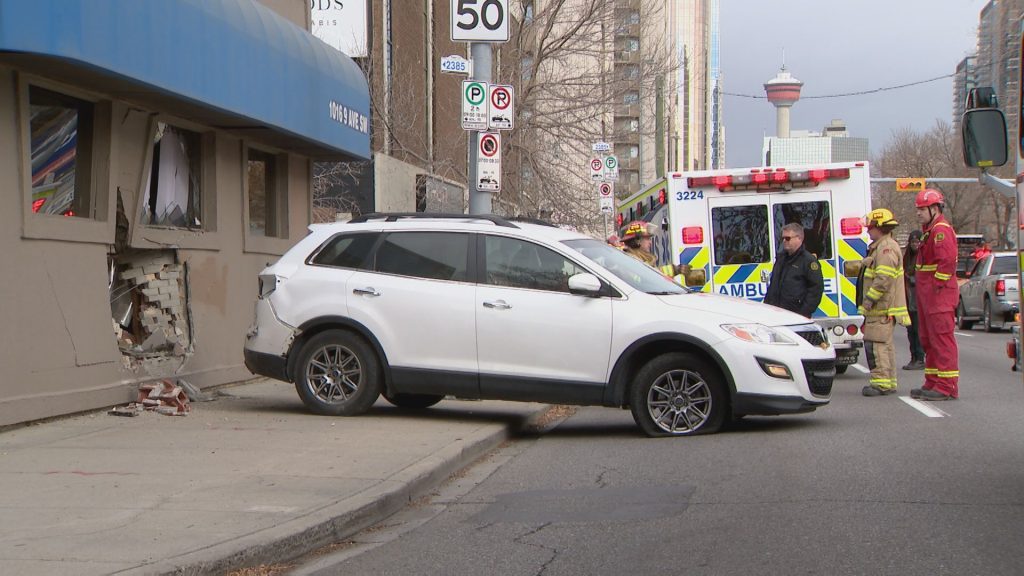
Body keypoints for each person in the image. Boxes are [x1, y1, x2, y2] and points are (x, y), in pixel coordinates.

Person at [857, 209, 912, 396]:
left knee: (877, 345)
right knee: (883, 345)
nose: (867, 231)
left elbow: (883, 279)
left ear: (880, 227)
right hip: (881, 309)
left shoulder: (886, 248)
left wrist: (869, 300)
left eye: (870, 227)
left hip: (881, 308)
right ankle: (887, 383)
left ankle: (881, 384)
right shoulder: (881, 247)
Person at [911, 188, 959, 401]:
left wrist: (936, 286)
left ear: (935, 208)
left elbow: (946, 262)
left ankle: (946, 386)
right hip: (928, 296)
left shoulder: (941, 230)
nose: (919, 213)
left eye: (923, 209)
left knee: (941, 340)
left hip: (938, 296)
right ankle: (932, 381)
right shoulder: (929, 230)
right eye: (918, 209)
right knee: (927, 339)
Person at [763, 223, 824, 318]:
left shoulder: (808, 261)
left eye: (787, 238)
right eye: (782, 238)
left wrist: (804, 312)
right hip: (776, 314)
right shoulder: (781, 259)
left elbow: (816, 289)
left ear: (799, 238)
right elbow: (773, 285)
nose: (784, 241)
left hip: (797, 315)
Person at [902, 230, 925, 370]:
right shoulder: (908, 257)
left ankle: (920, 358)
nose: (915, 245)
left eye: (917, 242)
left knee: (918, 330)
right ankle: (913, 357)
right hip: (908, 298)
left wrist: (913, 278)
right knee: (911, 331)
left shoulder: (923, 256)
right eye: (912, 242)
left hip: (919, 299)